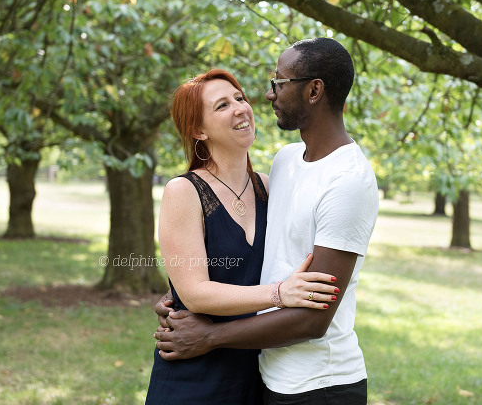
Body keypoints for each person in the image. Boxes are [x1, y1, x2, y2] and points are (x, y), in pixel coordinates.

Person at [154, 38, 379, 405]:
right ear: (199, 130)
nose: (261, 99)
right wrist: (180, 295)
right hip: (226, 371)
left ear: (314, 91)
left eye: (239, 98)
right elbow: (207, 281)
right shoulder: (285, 164)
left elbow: (313, 317)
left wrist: (210, 328)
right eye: (223, 105)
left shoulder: (329, 181)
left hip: (305, 381)